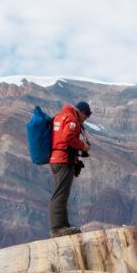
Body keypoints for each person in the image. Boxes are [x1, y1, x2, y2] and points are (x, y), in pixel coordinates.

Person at [48, 100, 92, 237]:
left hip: (57, 158)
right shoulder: (72, 119)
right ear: (82, 112)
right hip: (63, 160)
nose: (84, 121)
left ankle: (64, 225)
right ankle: (57, 228)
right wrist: (82, 146)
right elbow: (67, 137)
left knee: (62, 193)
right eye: (85, 117)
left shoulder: (61, 116)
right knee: (60, 194)